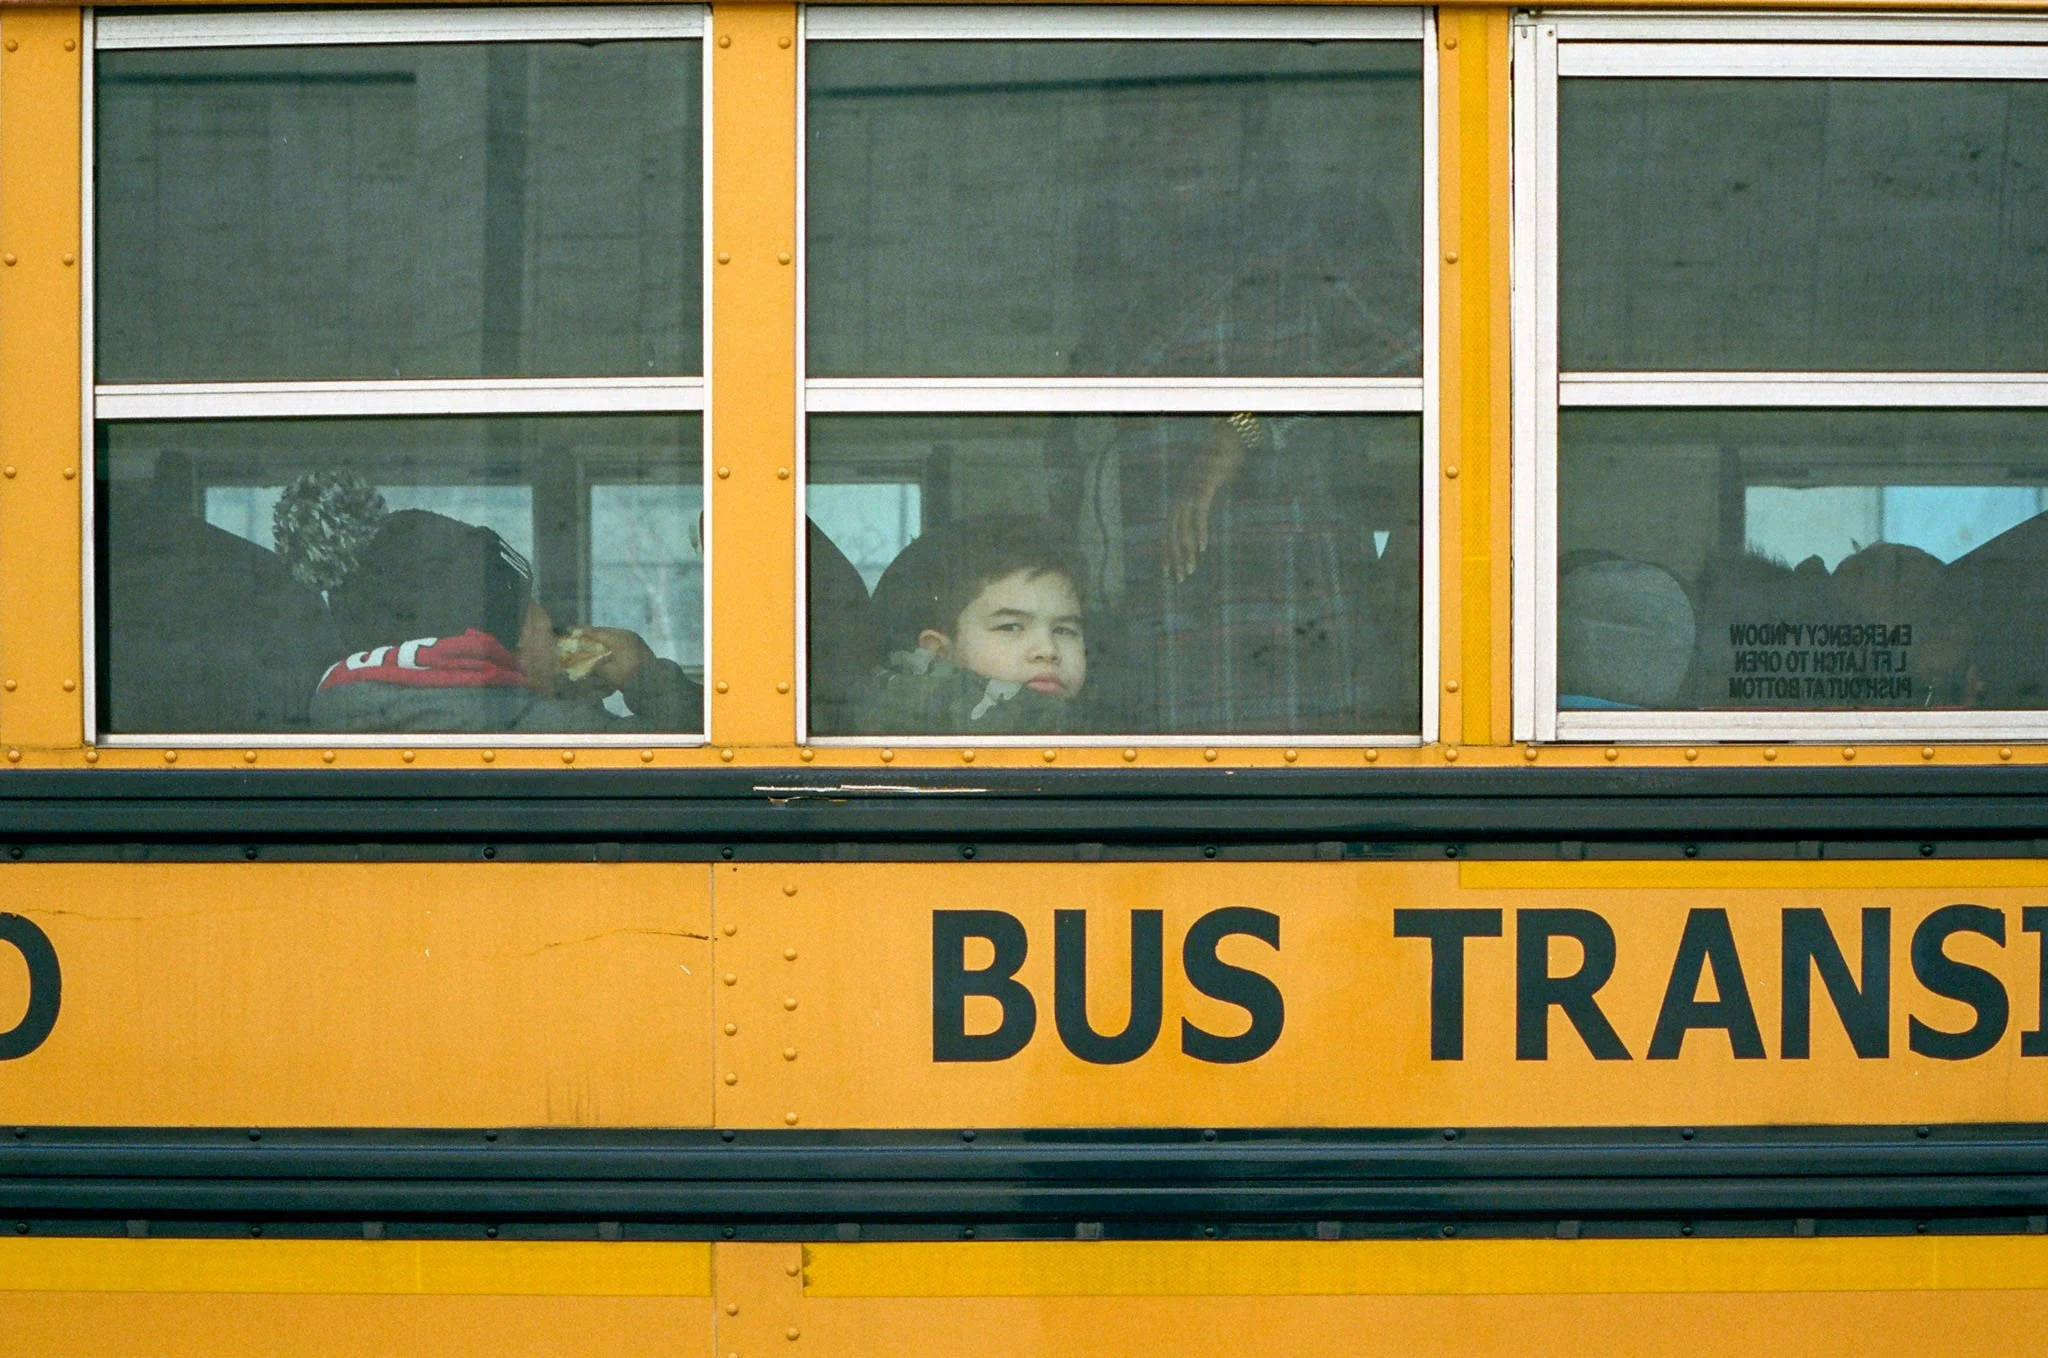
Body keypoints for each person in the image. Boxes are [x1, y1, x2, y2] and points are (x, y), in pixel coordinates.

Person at [311, 509, 698, 733]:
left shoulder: (336, 704)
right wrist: (647, 675)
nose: (561, 640)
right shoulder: (544, 726)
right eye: (548, 629)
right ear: (510, 640)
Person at [851, 515, 1089, 735]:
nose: (1048, 650)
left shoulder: (1104, 726)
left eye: (1064, 630)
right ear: (938, 651)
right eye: (1011, 627)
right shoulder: (905, 731)